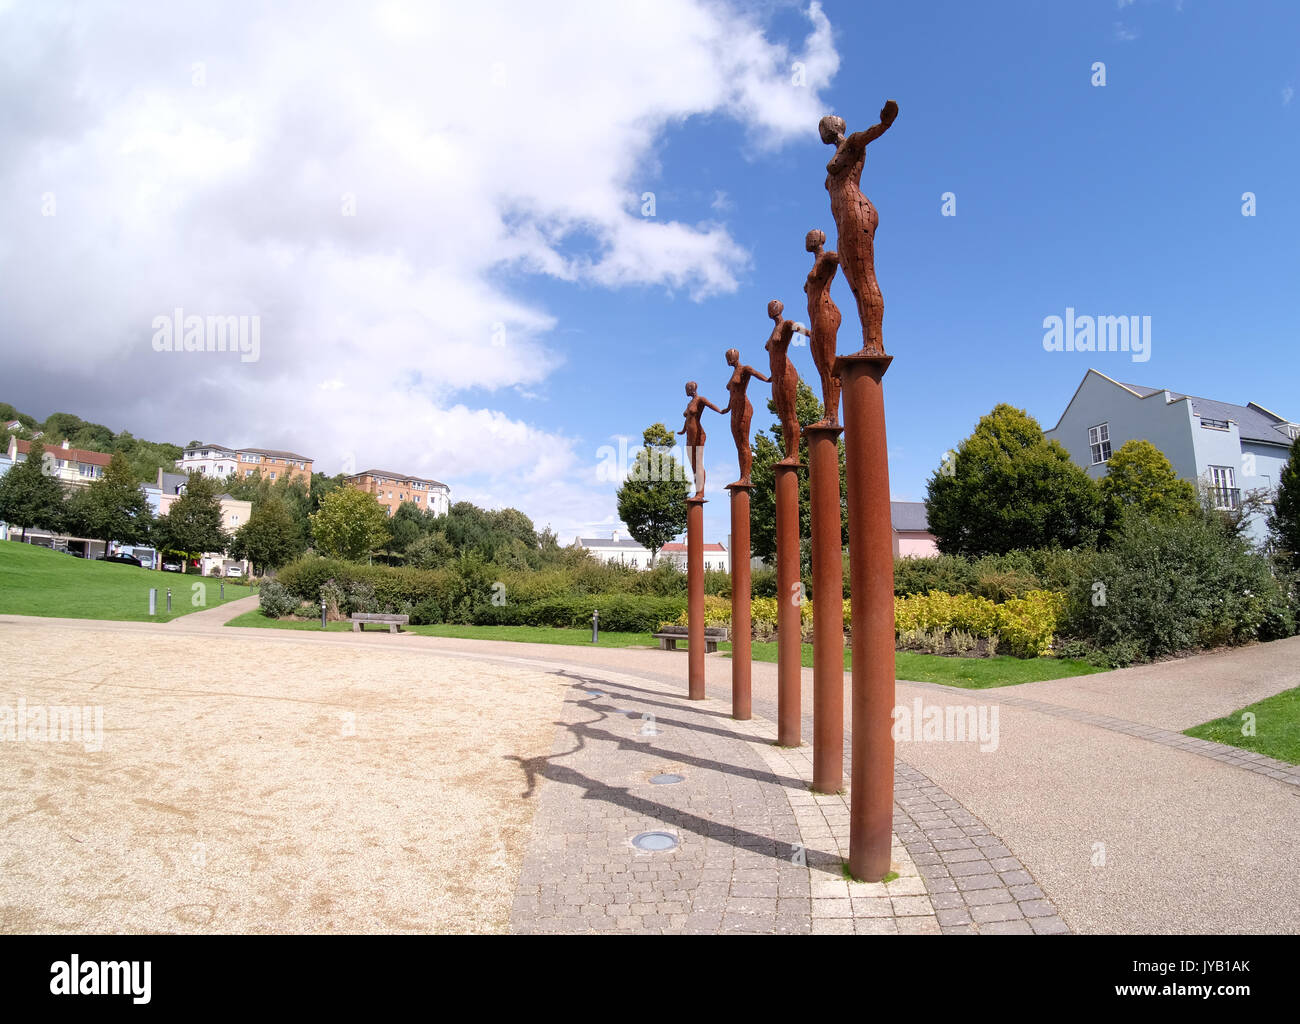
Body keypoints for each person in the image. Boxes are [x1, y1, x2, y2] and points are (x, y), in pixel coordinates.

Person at [820, 99, 898, 356]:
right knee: (855, 283)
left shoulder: (851, 142)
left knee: (865, 278)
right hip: (844, 220)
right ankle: (869, 342)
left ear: (833, 126)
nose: (822, 131)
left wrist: (885, 123)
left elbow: (870, 134)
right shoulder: (837, 153)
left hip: (857, 211)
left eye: (823, 126)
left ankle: (875, 344)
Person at [719, 348, 770, 486]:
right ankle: (742, 475)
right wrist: (728, 408)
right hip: (734, 409)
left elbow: (755, 373)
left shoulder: (744, 369)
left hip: (744, 408)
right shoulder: (734, 373)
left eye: (730, 356)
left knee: (744, 443)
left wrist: (767, 379)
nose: (728, 360)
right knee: (738, 444)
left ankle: (746, 477)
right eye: (727, 357)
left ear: (736, 356)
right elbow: (732, 393)